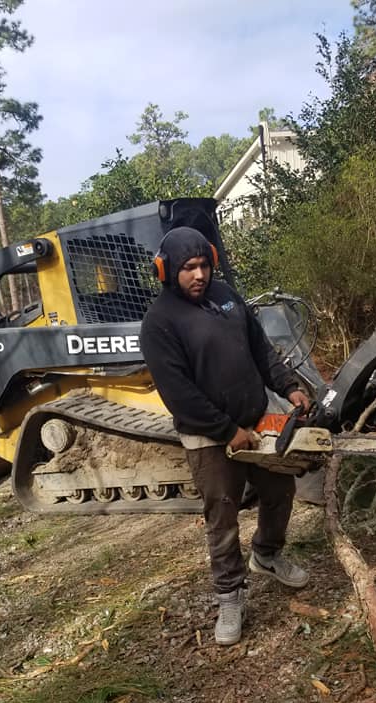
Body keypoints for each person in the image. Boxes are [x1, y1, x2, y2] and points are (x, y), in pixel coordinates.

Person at [140, 226, 311, 646]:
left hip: (254, 423)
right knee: (223, 515)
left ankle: (267, 554)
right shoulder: (159, 323)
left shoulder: (227, 297)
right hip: (209, 437)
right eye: (188, 268)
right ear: (166, 271)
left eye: (203, 266)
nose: (198, 275)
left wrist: (290, 387)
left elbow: (261, 351)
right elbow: (179, 394)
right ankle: (229, 596)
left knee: (279, 491)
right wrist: (226, 430)